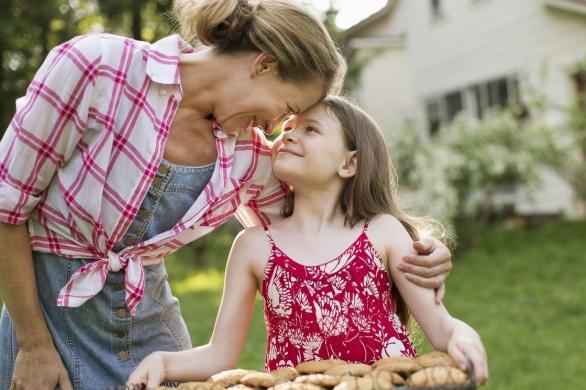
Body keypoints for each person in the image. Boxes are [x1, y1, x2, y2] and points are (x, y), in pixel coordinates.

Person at [0, 1, 452, 389]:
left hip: (151, 327)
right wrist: (33, 343)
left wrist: (418, 253)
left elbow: (321, 240)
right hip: (46, 320)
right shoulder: (97, 69)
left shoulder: (252, 159)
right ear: (264, 64)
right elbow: (7, 208)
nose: (276, 127)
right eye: (288, 108)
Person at [127, 96, 488, 389]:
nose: (288, 135)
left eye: (310, 129)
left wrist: (465, 337)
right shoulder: (253, 246)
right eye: (288, 128)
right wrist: (163, 360)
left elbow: (442, 327)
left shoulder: (383, 232)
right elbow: (220, 355)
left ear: (350, 163)